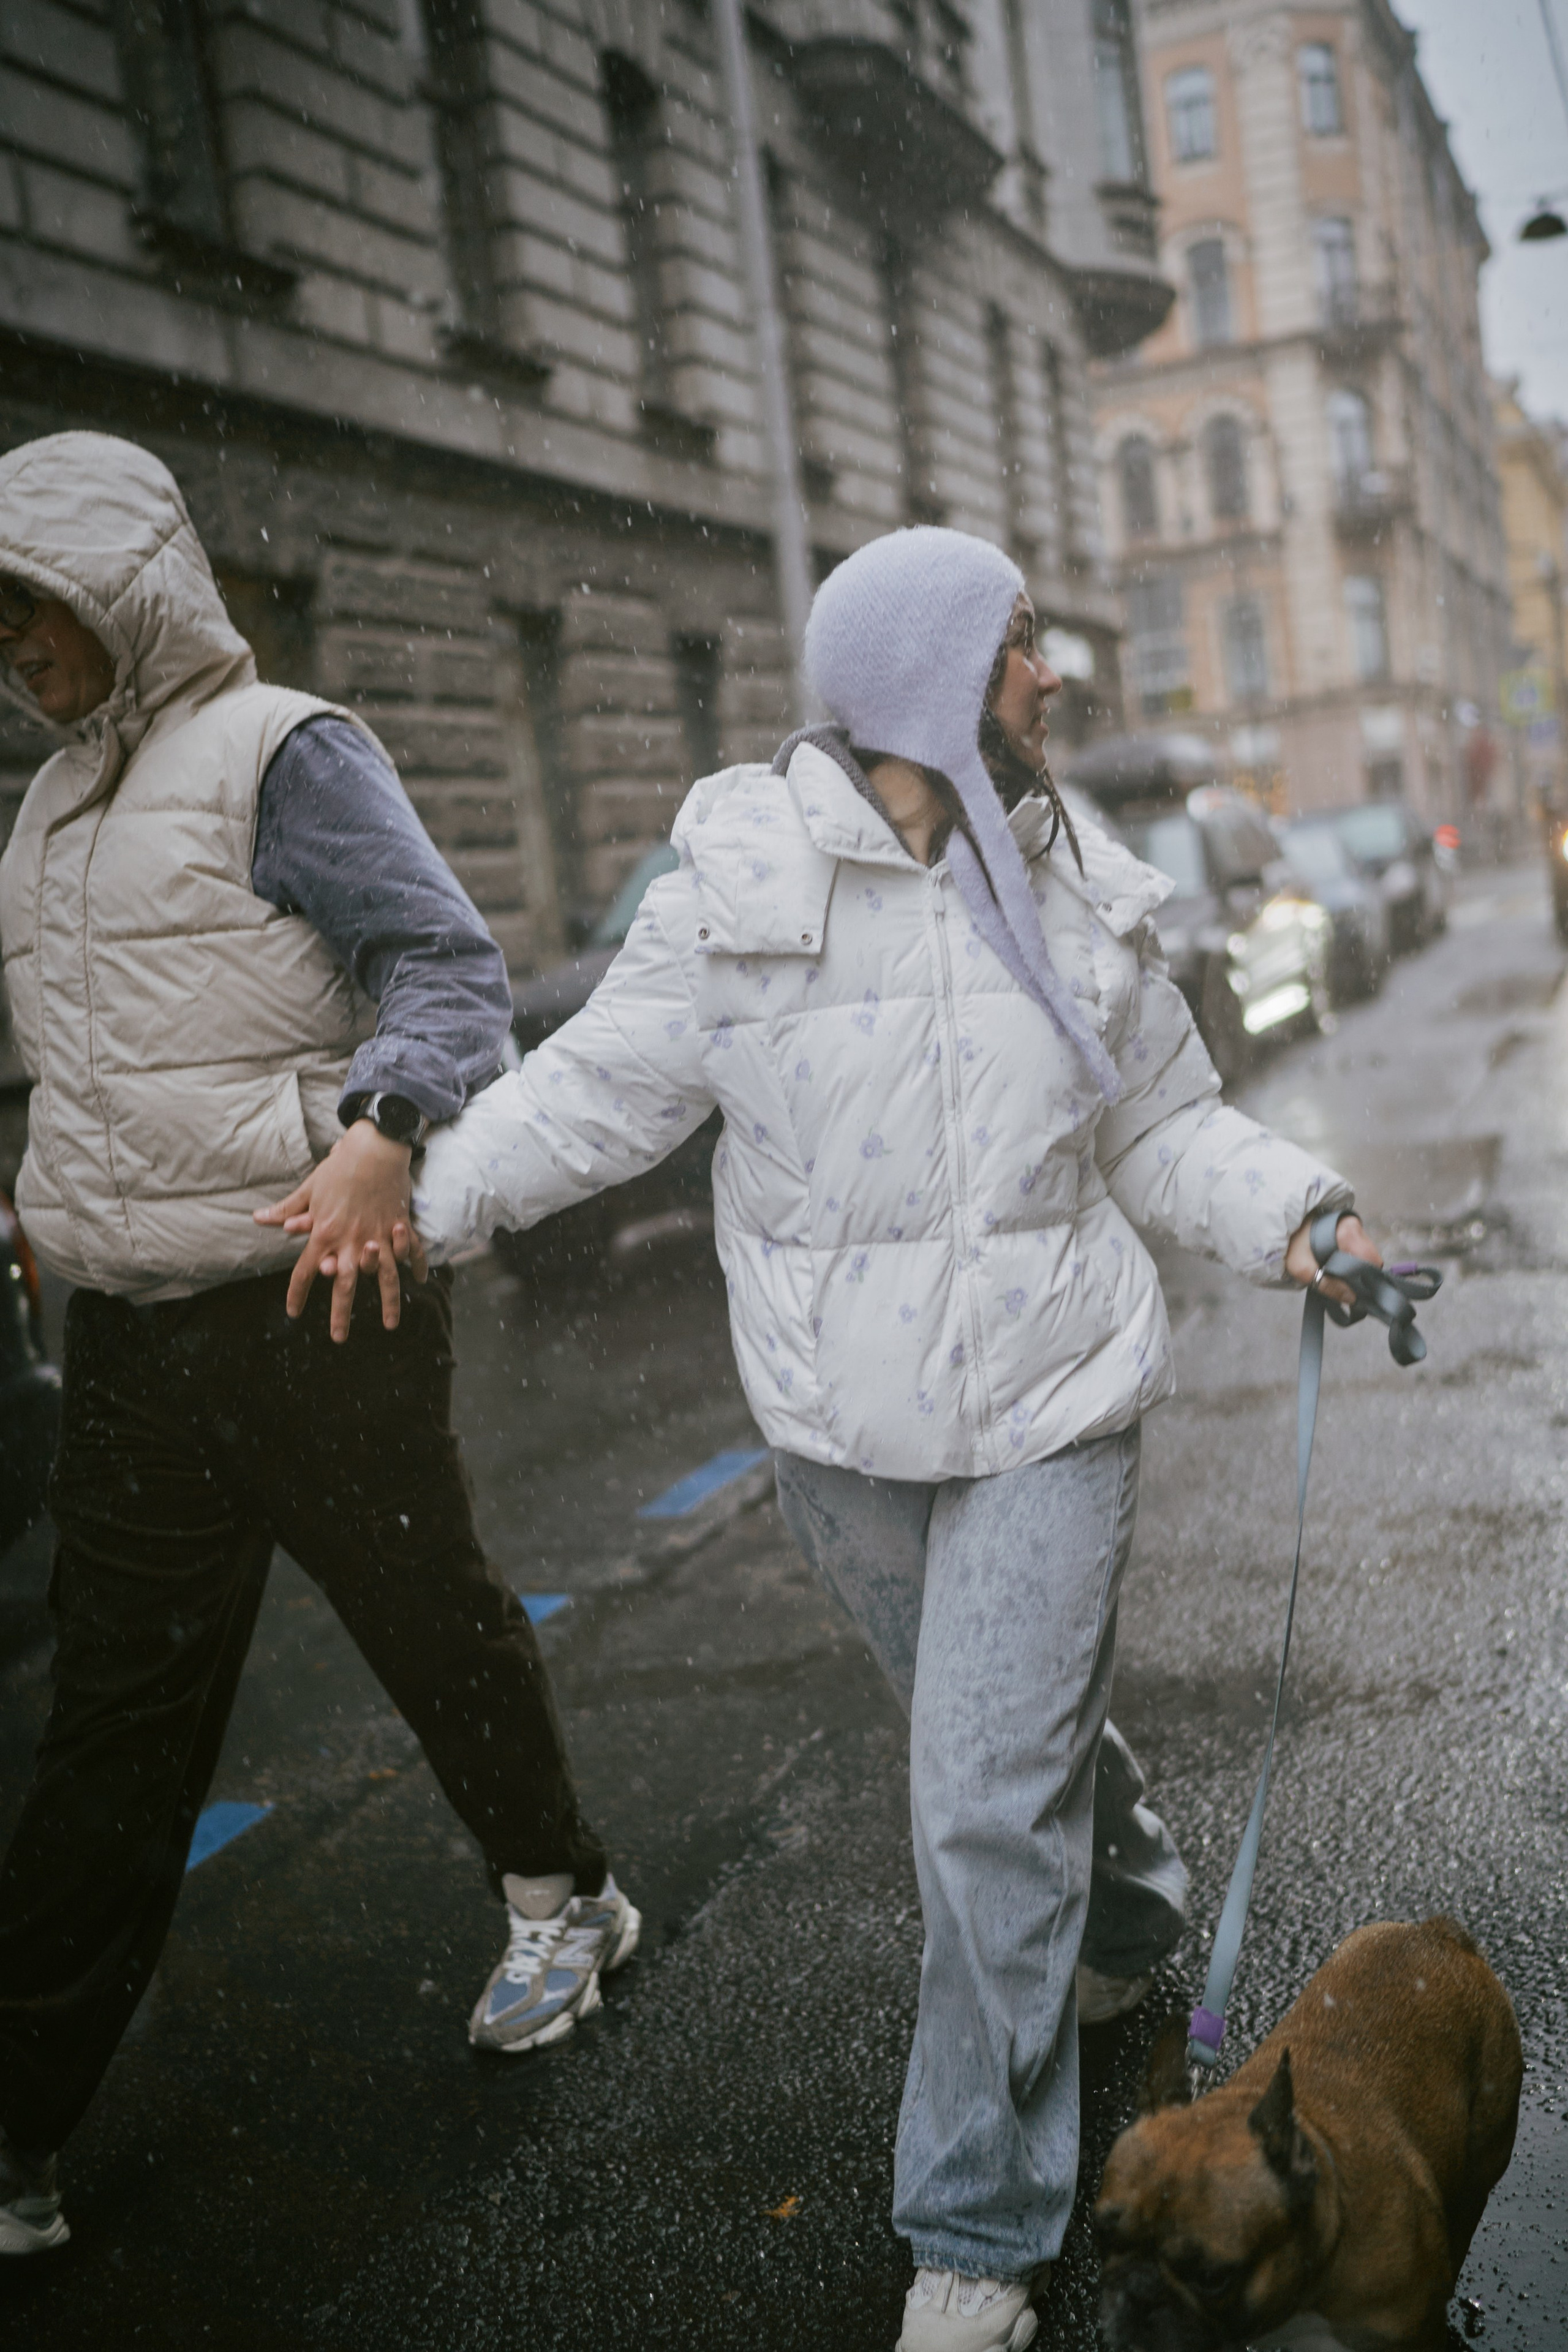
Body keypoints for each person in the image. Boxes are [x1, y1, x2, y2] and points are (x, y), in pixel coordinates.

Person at [268, 526, 1378, 2352]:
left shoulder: (1078, 879)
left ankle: (974, 2233)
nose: (1056, 677)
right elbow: (591, 1101)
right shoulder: (740, 879)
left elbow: (1163, 1123)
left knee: (975, 1802)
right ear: (928, 677)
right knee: (1000, 1759)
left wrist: (1301, 1218)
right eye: (1024, 646)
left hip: (1054, 1402)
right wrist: (412, 1198)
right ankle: (1133, 1892)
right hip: (838, 1427)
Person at [0, 432, 638, 2260]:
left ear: (111, 584)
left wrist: (384, 1122)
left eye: (28, 610)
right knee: (107, 1735)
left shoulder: (288, 749)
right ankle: (18, 2123)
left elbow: (443, 964)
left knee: (428, 1617)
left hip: (315, 1299)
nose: (14, 651)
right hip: (127, 1337)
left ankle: (560, 1897)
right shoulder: (46, 811)